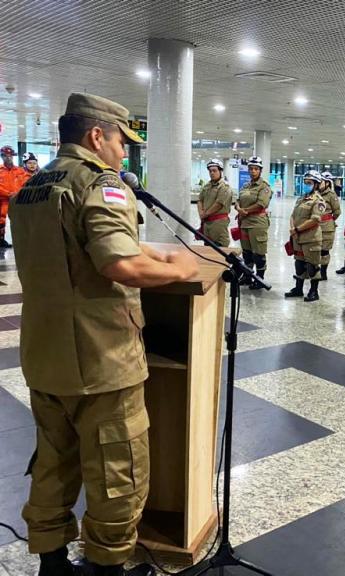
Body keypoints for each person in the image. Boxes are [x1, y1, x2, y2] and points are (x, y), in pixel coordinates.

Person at [9, 92, 198, 576]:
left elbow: (84, 248)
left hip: (45, 354)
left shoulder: (32, 187)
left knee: (54, 461)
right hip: (101, 358)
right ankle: (108, 568)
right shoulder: (101, 183)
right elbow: (117, 261)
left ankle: (52, 563)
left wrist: (157, 255)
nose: (122, 153)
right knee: (119, 470)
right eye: (120, 142)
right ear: (96, 135)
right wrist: (177, 271)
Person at [285, 170, 326, 302]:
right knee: (299, 264)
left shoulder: (319, 201)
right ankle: (298, 288)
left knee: (312, 266)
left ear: (316, 185)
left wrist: (297, 229)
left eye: (309, 183)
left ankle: (314, 291)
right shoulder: (301, 198)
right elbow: (293, 215)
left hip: (311, 238)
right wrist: (292, 229)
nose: (306, 185)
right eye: (305, 182)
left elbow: (315, 219)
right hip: (298, 238)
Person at [235, 156, 273, 290]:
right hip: (244, 223)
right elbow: (238, 199)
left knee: (258, 253)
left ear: (260, 170)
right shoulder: (246, 185)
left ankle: (260, 278)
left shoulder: (264, 187)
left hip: (257, 223)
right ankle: (247, 276)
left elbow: (262, 203)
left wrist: (245, 210)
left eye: (256, 169)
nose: (253, 171)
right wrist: (239, 208)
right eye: (251, 169)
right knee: (247, 252)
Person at [196, 158, 232, 247]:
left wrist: (205, 214)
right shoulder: (207, 186)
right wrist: (201, 214)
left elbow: (219, 204)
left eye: (214, 171)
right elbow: (200, 200)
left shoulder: (224, 186)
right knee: (207, 246)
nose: (212, 173)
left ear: (220, 171)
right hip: (207, 223)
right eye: (210, 171)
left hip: (218, 223)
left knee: (220, 248)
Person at [0, 145, 28, 247]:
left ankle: (20, 239)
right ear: (2, 157)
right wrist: (8, 194)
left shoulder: (20, 171)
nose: (8, 158)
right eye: (5, 156)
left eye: (10, 155)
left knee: (20, 219)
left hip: (17, 200)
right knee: (2, 220)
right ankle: (2, 240)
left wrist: (17, 194)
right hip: (3, 201)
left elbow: (25, 184)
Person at [318, 170, 341, 280]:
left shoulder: (331, 195)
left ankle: (323, 272)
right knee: (313, 249)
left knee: (324, 250)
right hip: (314, 225)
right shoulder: (314, 192)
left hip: (327, 227)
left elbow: (337, 211)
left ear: (327, 183)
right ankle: (312, 271)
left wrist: (329, 220)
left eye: (321, 181)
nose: (319, 183)